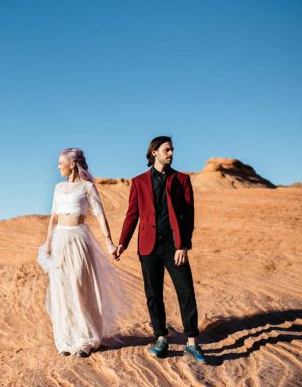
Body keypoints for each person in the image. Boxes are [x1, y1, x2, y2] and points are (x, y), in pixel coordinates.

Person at [114, 136, 206, 364]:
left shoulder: (182, 179)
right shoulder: (138, 182)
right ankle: (161, 338)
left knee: (186, 292)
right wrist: (122, 243)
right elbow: (132, 215)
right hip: (148, 246)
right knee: (153, 295)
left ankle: (192, 342)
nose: (171, 153)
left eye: (172, 150)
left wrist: (183, 244)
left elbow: (188, 216)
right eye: (167, 150)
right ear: (154, 152)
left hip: (174, 247)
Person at [37, 148, 129, 358]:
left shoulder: (87, 187)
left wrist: (108, 241)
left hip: (79, 240)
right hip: (60, 240)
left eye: (61, 162)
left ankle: (86, 338)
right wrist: (48, 241)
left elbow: (98, 212)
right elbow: (53, 216)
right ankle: (67, 339)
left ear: (72, 164)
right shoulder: (59, 188)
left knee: (79, 285)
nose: (58, 166)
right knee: (62, 288)